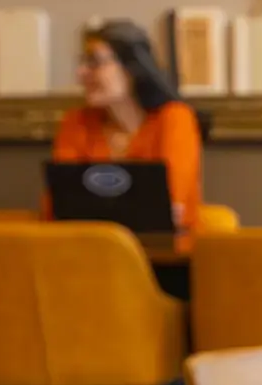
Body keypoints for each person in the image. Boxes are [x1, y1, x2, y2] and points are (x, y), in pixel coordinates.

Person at [53, 20, 203, 230]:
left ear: (131, 68)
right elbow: (58, 207)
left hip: (165, 255)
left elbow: (170, 205)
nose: (81, 73)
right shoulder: (76, 122)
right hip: (86, 251)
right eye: (83, 62)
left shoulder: (175, 118)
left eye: (95, 62)